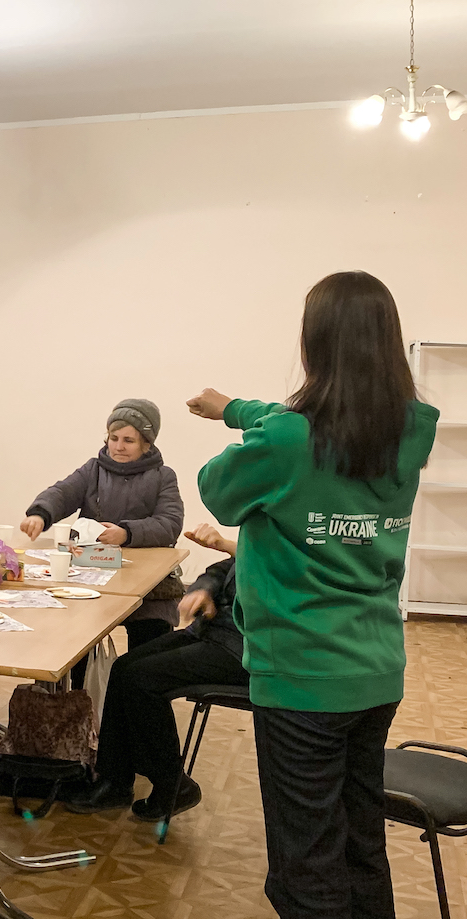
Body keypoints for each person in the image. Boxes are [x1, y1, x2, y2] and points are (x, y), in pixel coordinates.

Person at [189, 270, 438, 919]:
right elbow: (302, 425)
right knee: (361, 844)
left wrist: (241, 417)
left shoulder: (286, 442)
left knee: (307, 865)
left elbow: (217, 487)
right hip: (376, 671)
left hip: (301, 677)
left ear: (314, 344)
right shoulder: (412, 429)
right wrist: (238, 408)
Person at [64, 523, 247, 819]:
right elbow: (222, 569)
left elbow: (274, 567)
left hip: (245, 648)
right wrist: (204, 589)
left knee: (141, 680)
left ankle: (172, 784)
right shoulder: (266, 523)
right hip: (214, 632)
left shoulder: (293, 533)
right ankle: (114, 780)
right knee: (124, 668)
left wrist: (227, 543)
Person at [21, 398, 185, 684]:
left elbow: (170, 524)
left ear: (147, 443)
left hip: (149, 589)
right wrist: (40, 514)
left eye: (129, 440)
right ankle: (80, 703)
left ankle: (135, 702)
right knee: (75, 640)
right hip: (89, 577)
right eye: (114, 438)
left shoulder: (163, 476)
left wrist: (126, 533)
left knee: (147, 652)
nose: (119, 446)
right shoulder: (93, 469)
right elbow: (62, 493)